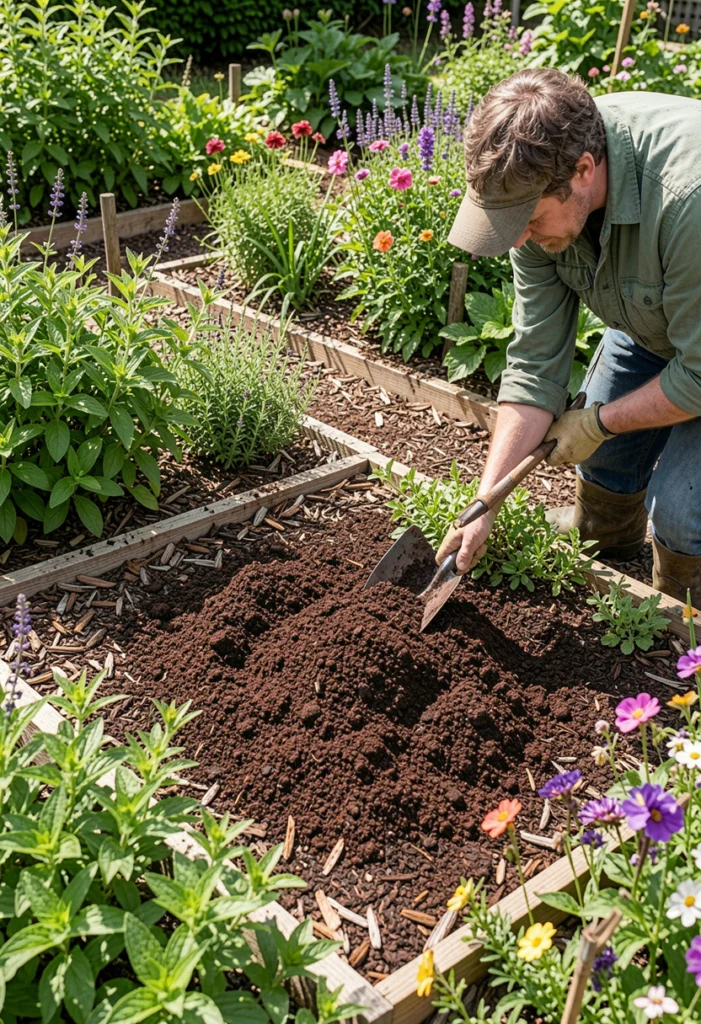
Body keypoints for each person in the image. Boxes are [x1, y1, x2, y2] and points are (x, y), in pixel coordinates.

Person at [439, 67, 701, 604]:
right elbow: (535, 363)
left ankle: (683, 608)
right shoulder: (544, 178)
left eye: (529, 221)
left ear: (584, 171)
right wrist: (485, 501)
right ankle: (610, 542)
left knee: (681, 510)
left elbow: (698, 375)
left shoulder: (686, 199)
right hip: (663, 326)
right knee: (603, 462)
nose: (522, 237)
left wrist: (601, 420)